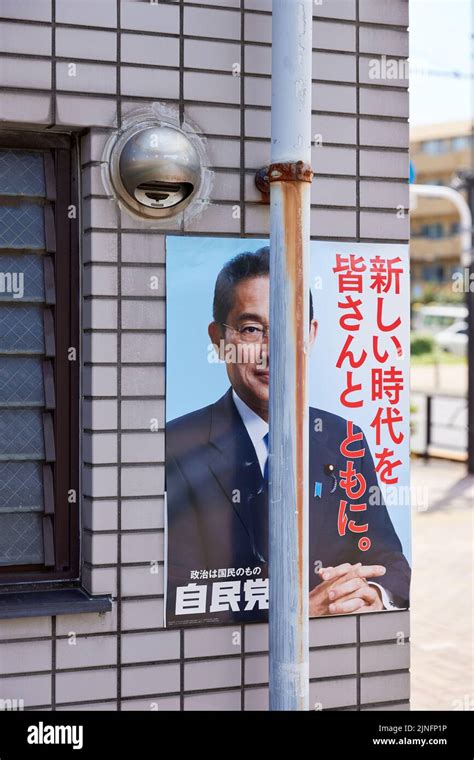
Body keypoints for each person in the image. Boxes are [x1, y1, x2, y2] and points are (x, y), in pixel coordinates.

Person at [166, 247, 410, 626]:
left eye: (289, 329)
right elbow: (173, 595)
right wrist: (296, 614)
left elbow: (392, 565)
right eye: (252, 330)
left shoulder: (344, 439)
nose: (272, 351)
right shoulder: (174, 445)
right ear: (218, 338)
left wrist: (371, 595)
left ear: (310, 335)